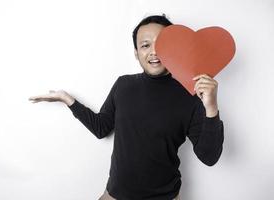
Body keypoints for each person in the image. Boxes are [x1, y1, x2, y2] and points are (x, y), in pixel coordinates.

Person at [29, 14, 224, 200]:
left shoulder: (189, 94)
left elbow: (209, 156)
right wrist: (66, 99)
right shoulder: (123, 85)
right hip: (116, 194)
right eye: (145, 45)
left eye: (161, 44)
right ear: (136, 53)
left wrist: (211, 106)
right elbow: (101, 128)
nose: (154, 51)